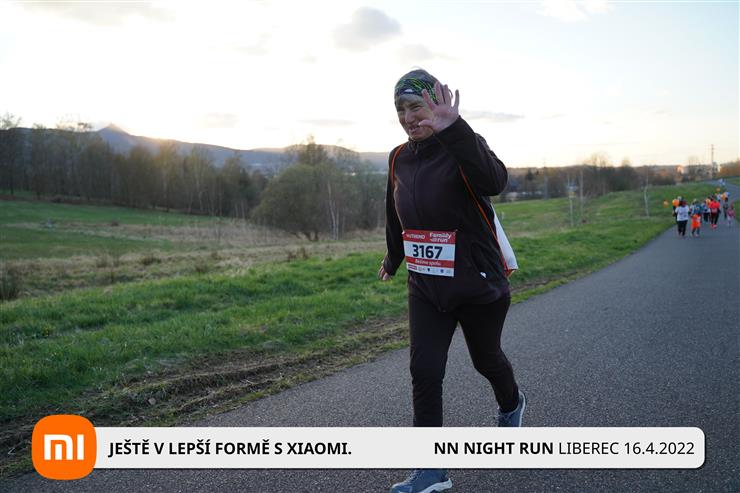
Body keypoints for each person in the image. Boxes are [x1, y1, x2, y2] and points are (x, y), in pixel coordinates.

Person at [379, 69, 523, 493]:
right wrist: (394, 257)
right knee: (424, 370)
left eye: (415, 107)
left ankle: (511, 403)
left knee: (486, 360)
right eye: (401, 109)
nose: (408, 117)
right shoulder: (398, 158)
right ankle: (430, 470)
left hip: (477, 282)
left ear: (435, 104)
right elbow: (396, 212)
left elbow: (494, 181)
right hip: (426, 284)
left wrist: (455, 128)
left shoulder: (462, 146)